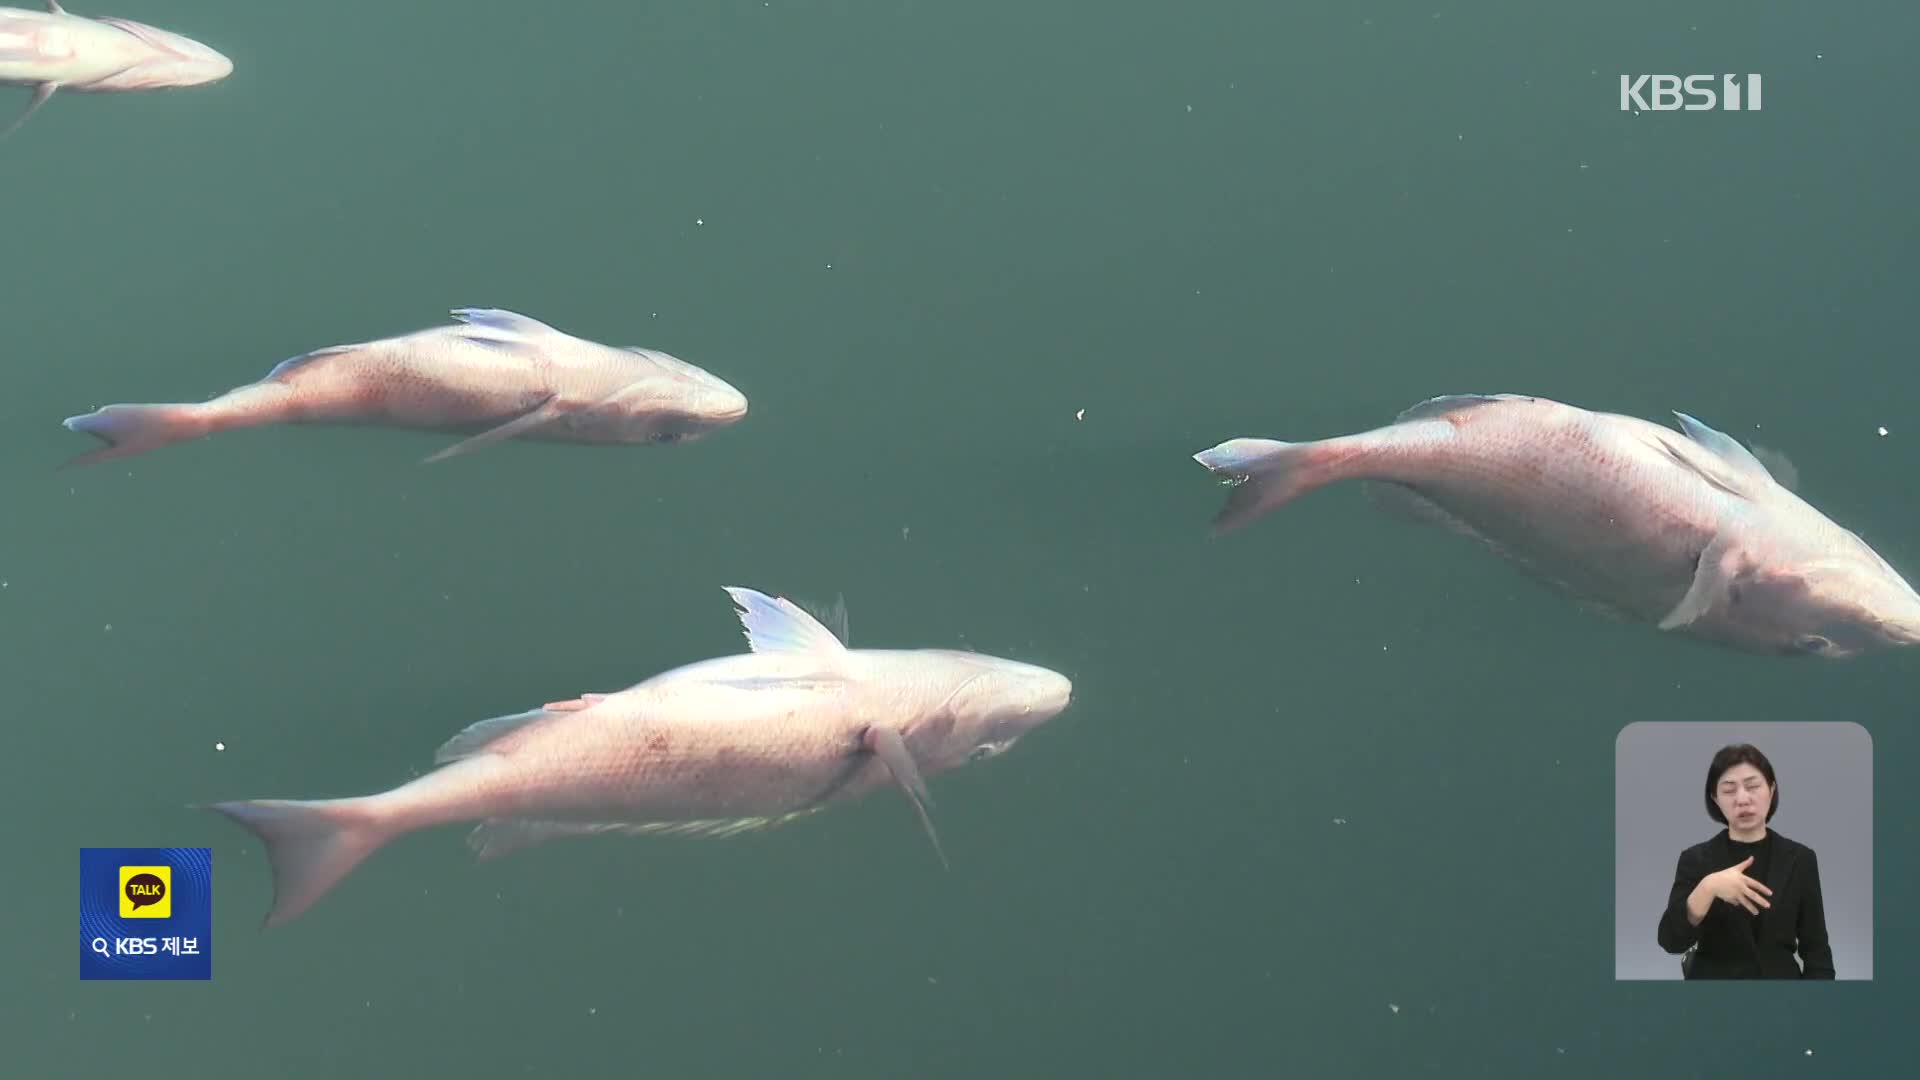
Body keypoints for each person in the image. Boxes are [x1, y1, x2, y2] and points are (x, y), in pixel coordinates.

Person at [1656, 743, 1835, 979]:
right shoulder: (1695, 859)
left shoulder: (1801, 859)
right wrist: (1708, 887)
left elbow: (1817, 951)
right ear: (1715, 798)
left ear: (1771, 790)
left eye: (1753, 786)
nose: (1742, 799)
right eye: (1729, 790)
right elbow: (1671, 940)